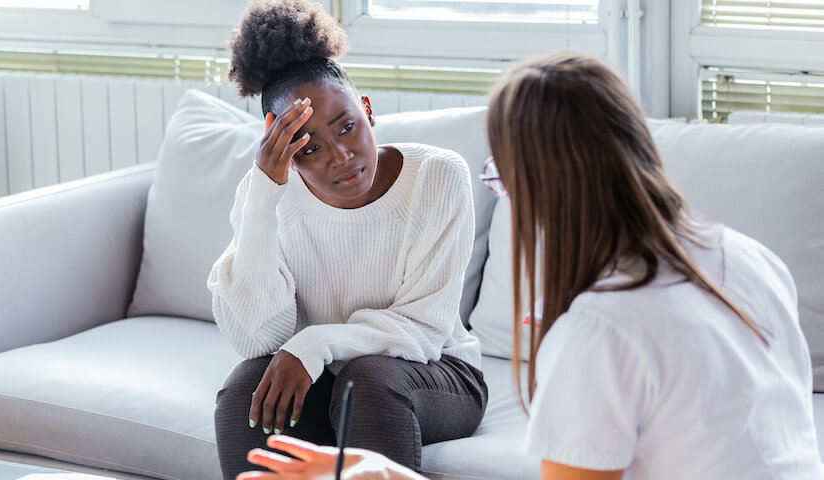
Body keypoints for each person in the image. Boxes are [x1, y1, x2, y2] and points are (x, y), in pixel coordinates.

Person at [237, 53, 823, 480]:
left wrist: (380, 475)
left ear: (543, 190)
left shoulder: (599, 332)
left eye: (504, 180)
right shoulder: (750, 259)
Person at [207, 1, 487, 479]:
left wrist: (316, 342)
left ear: (369, 111)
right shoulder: (266, 196)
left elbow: (424, 330)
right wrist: (263, 191)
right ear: (287, 153)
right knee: (243, 395)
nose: (341, 156)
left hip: (435, 373)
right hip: (326, 381)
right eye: (311, 147)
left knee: (369, 382)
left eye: (348, 126)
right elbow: (258, 337)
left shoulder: (437, 177)